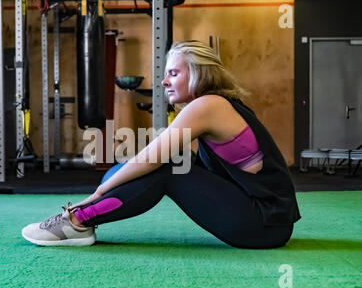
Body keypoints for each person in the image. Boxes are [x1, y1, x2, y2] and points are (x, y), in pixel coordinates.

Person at [22, 40, 301, 248]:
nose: (164, 81)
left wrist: (98, 192)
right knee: (164, 163)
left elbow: (153, 159)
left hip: (264, 224)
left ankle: (78, 221)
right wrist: (110, 181)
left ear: (200, 74)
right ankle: (80, 221)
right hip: (268, 221)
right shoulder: (214, 105)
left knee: (167, 168)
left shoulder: (208, 105)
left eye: (174, 74)